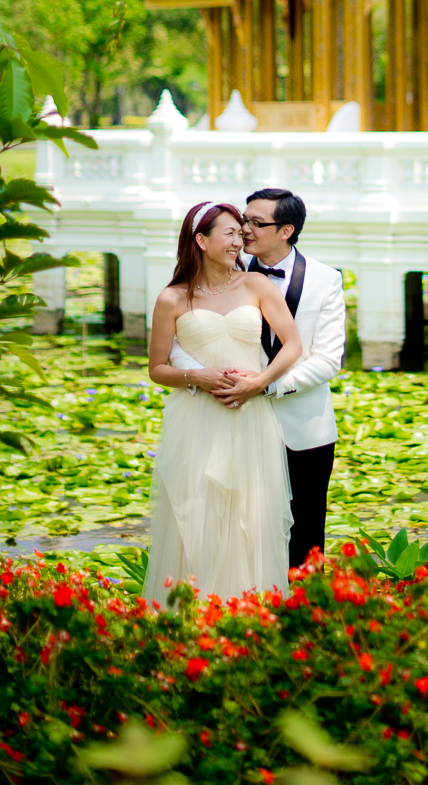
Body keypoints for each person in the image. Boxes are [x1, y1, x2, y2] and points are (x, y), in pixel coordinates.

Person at [170, 187, 344, 570]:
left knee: (305, 538)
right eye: (243, 221)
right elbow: (187, 333)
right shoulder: (222, 268)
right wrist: (204, 376)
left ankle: (300, 618)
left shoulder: (325, 280)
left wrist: (263, 385)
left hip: (301, 429)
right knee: (235, 531)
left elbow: (329, 359)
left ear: (286, 230)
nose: (244, 231)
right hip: (232, 423)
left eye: (255, 223)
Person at [144, 200, 302, 604]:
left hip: (250, 418)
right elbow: (157, 369)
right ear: (201, 240)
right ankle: (195, 621)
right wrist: (195, 376)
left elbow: (293, 344)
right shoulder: (172, 298)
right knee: (196, 518)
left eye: (241, 232)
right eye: (230, 233)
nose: (240, 240)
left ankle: (250, 619)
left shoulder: (256, 285)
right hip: (197, 419)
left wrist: (260, 383)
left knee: (251, 517)